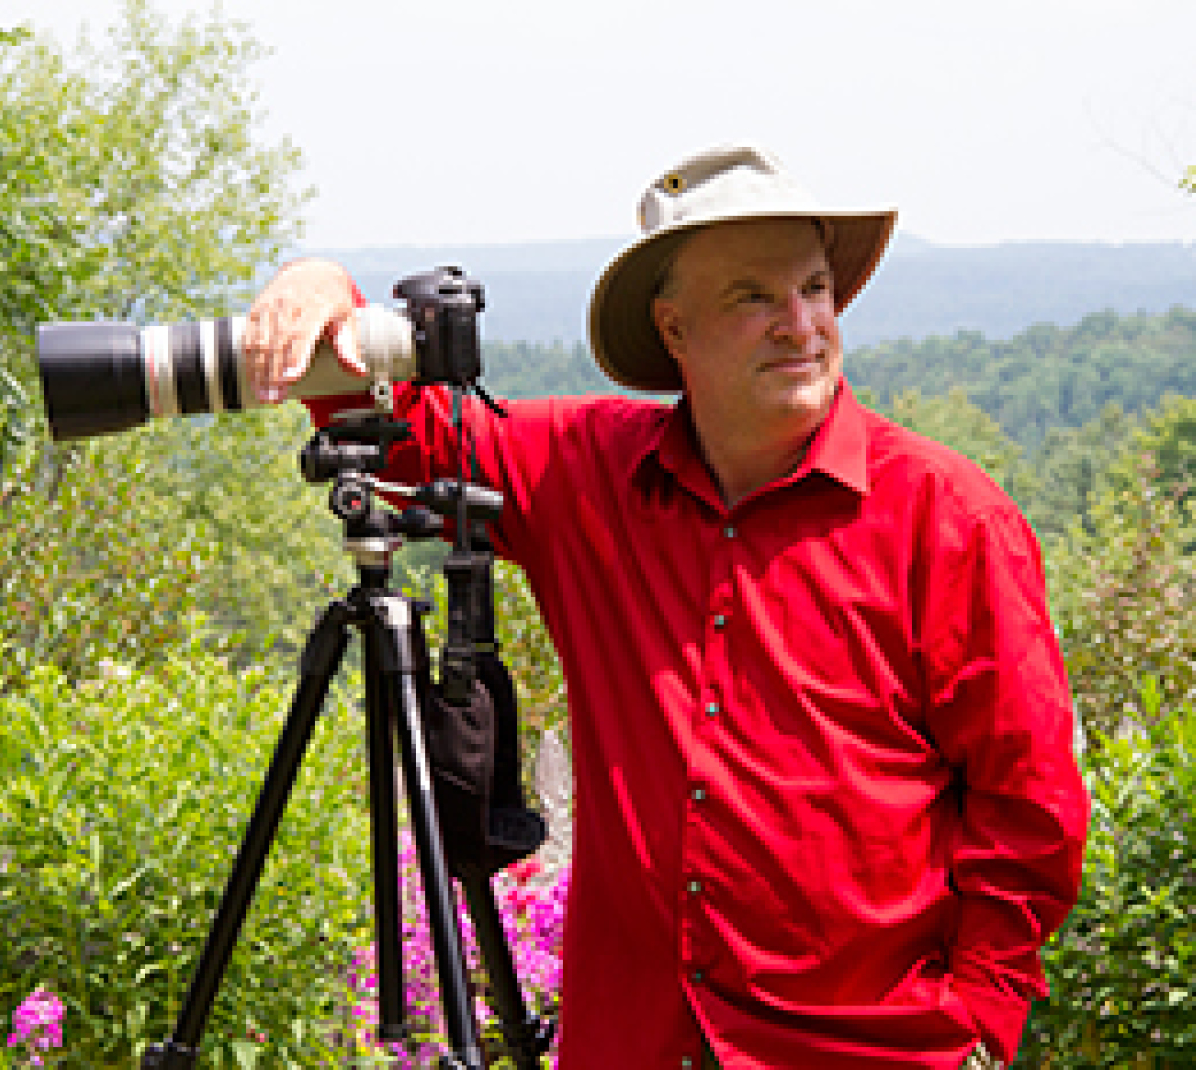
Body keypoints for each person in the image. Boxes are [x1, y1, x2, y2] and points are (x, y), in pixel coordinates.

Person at [243, 145, 1088, 1069]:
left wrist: (976, 1024)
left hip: (869, 1050)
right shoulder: (586, 475)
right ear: (673, 329)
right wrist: (322, 283)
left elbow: (1030, 808)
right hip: (635, 1041)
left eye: (814, 289)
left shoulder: (948, 518)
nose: (799, 325)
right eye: (752, 298)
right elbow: (401, 429)